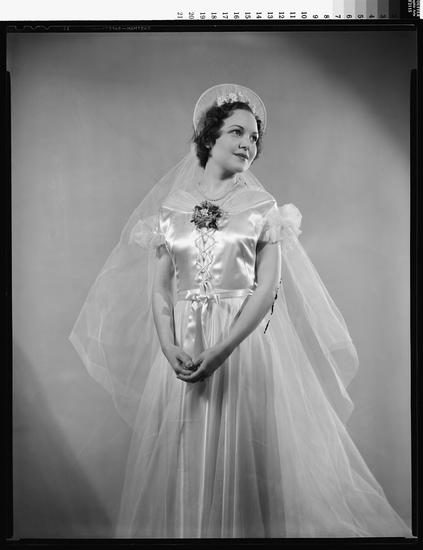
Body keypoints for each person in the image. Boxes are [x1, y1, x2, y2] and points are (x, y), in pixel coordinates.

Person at [70, 84, 413, 538]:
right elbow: (160, 291)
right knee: (187, 453)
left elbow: (267, 290)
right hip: (185, 344)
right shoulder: (171, 211)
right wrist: (169, 346)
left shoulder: (263, 209)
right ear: (208, 137)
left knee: (244, 457)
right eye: (237, 132)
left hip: (243, 345)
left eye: (254, 137)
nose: (248, 144)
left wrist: (222, 350)